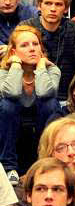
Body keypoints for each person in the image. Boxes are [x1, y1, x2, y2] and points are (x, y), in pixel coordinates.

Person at [0, 24, 62, 182]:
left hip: (41, 125)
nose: (32, 49)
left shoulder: (52, 70)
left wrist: (41, 66)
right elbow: (12, 92)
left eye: (35, 44)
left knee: (51, 103)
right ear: (14, 51)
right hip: (11, 129)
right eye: (24, 45)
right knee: (8, 104)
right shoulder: (3, 73)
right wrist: (15, 64)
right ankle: (9, 168)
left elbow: (44, 92)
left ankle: (45, 162)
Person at [32, 0, 75, 98]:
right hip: (35, 96)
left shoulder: (74, 28)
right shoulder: (27, 27)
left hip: (69, 95)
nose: (53, 9)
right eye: (48, 3)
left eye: (58, 4)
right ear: (39, 6)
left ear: (66, 8)